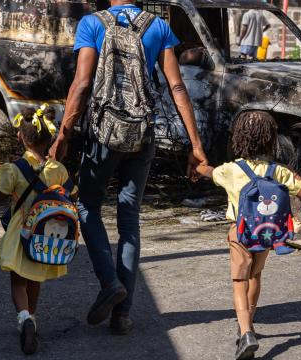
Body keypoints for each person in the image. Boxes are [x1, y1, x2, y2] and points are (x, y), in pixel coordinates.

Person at [49, 0, 207, 335]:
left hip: (105, 135)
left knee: (88, 206)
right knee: (129, 218)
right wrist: (196, 146)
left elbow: (81, 83)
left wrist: (63, 135)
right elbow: (177, 87)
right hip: (142, 132)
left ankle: (109, 282)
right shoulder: (158, 26)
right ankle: (122, 314)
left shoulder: (92, 23)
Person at [196, 111, 301, 359]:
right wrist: (288, 172)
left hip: (240, 233)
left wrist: (198, 166)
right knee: (255, 275)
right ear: (271, 140)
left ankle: (246, 332)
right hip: (266, 235)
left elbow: (208, 172)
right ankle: (248, 322)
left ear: (239, 138)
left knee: (239, 280)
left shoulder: (231, 170)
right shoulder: (277, 170)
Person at [0, 106, 72, 355]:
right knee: (35, 278)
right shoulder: (58, 169)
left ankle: (25, 318)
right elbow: (70, 194)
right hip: (45, 233)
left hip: (21, 232)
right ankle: (33, 318)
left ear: (20, 137)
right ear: (49, 140)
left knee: (18, 282)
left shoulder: (14, 169)